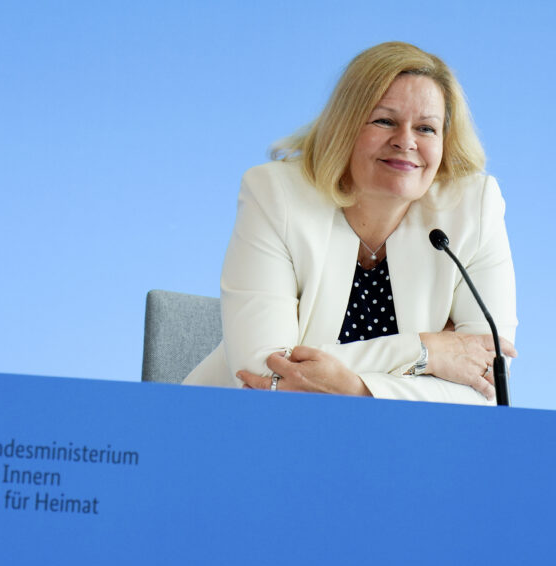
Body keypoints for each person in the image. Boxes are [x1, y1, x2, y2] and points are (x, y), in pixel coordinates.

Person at [183, 41, 517, 405]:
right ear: (345, 126)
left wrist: (355, 389)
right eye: (385, 121)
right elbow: (267, 374)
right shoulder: (275, 194)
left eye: (426, 128)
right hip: (240, 428)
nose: (406, 141)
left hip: (395, 446)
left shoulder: (473, 208)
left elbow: (486, 385)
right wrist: (426, 353)